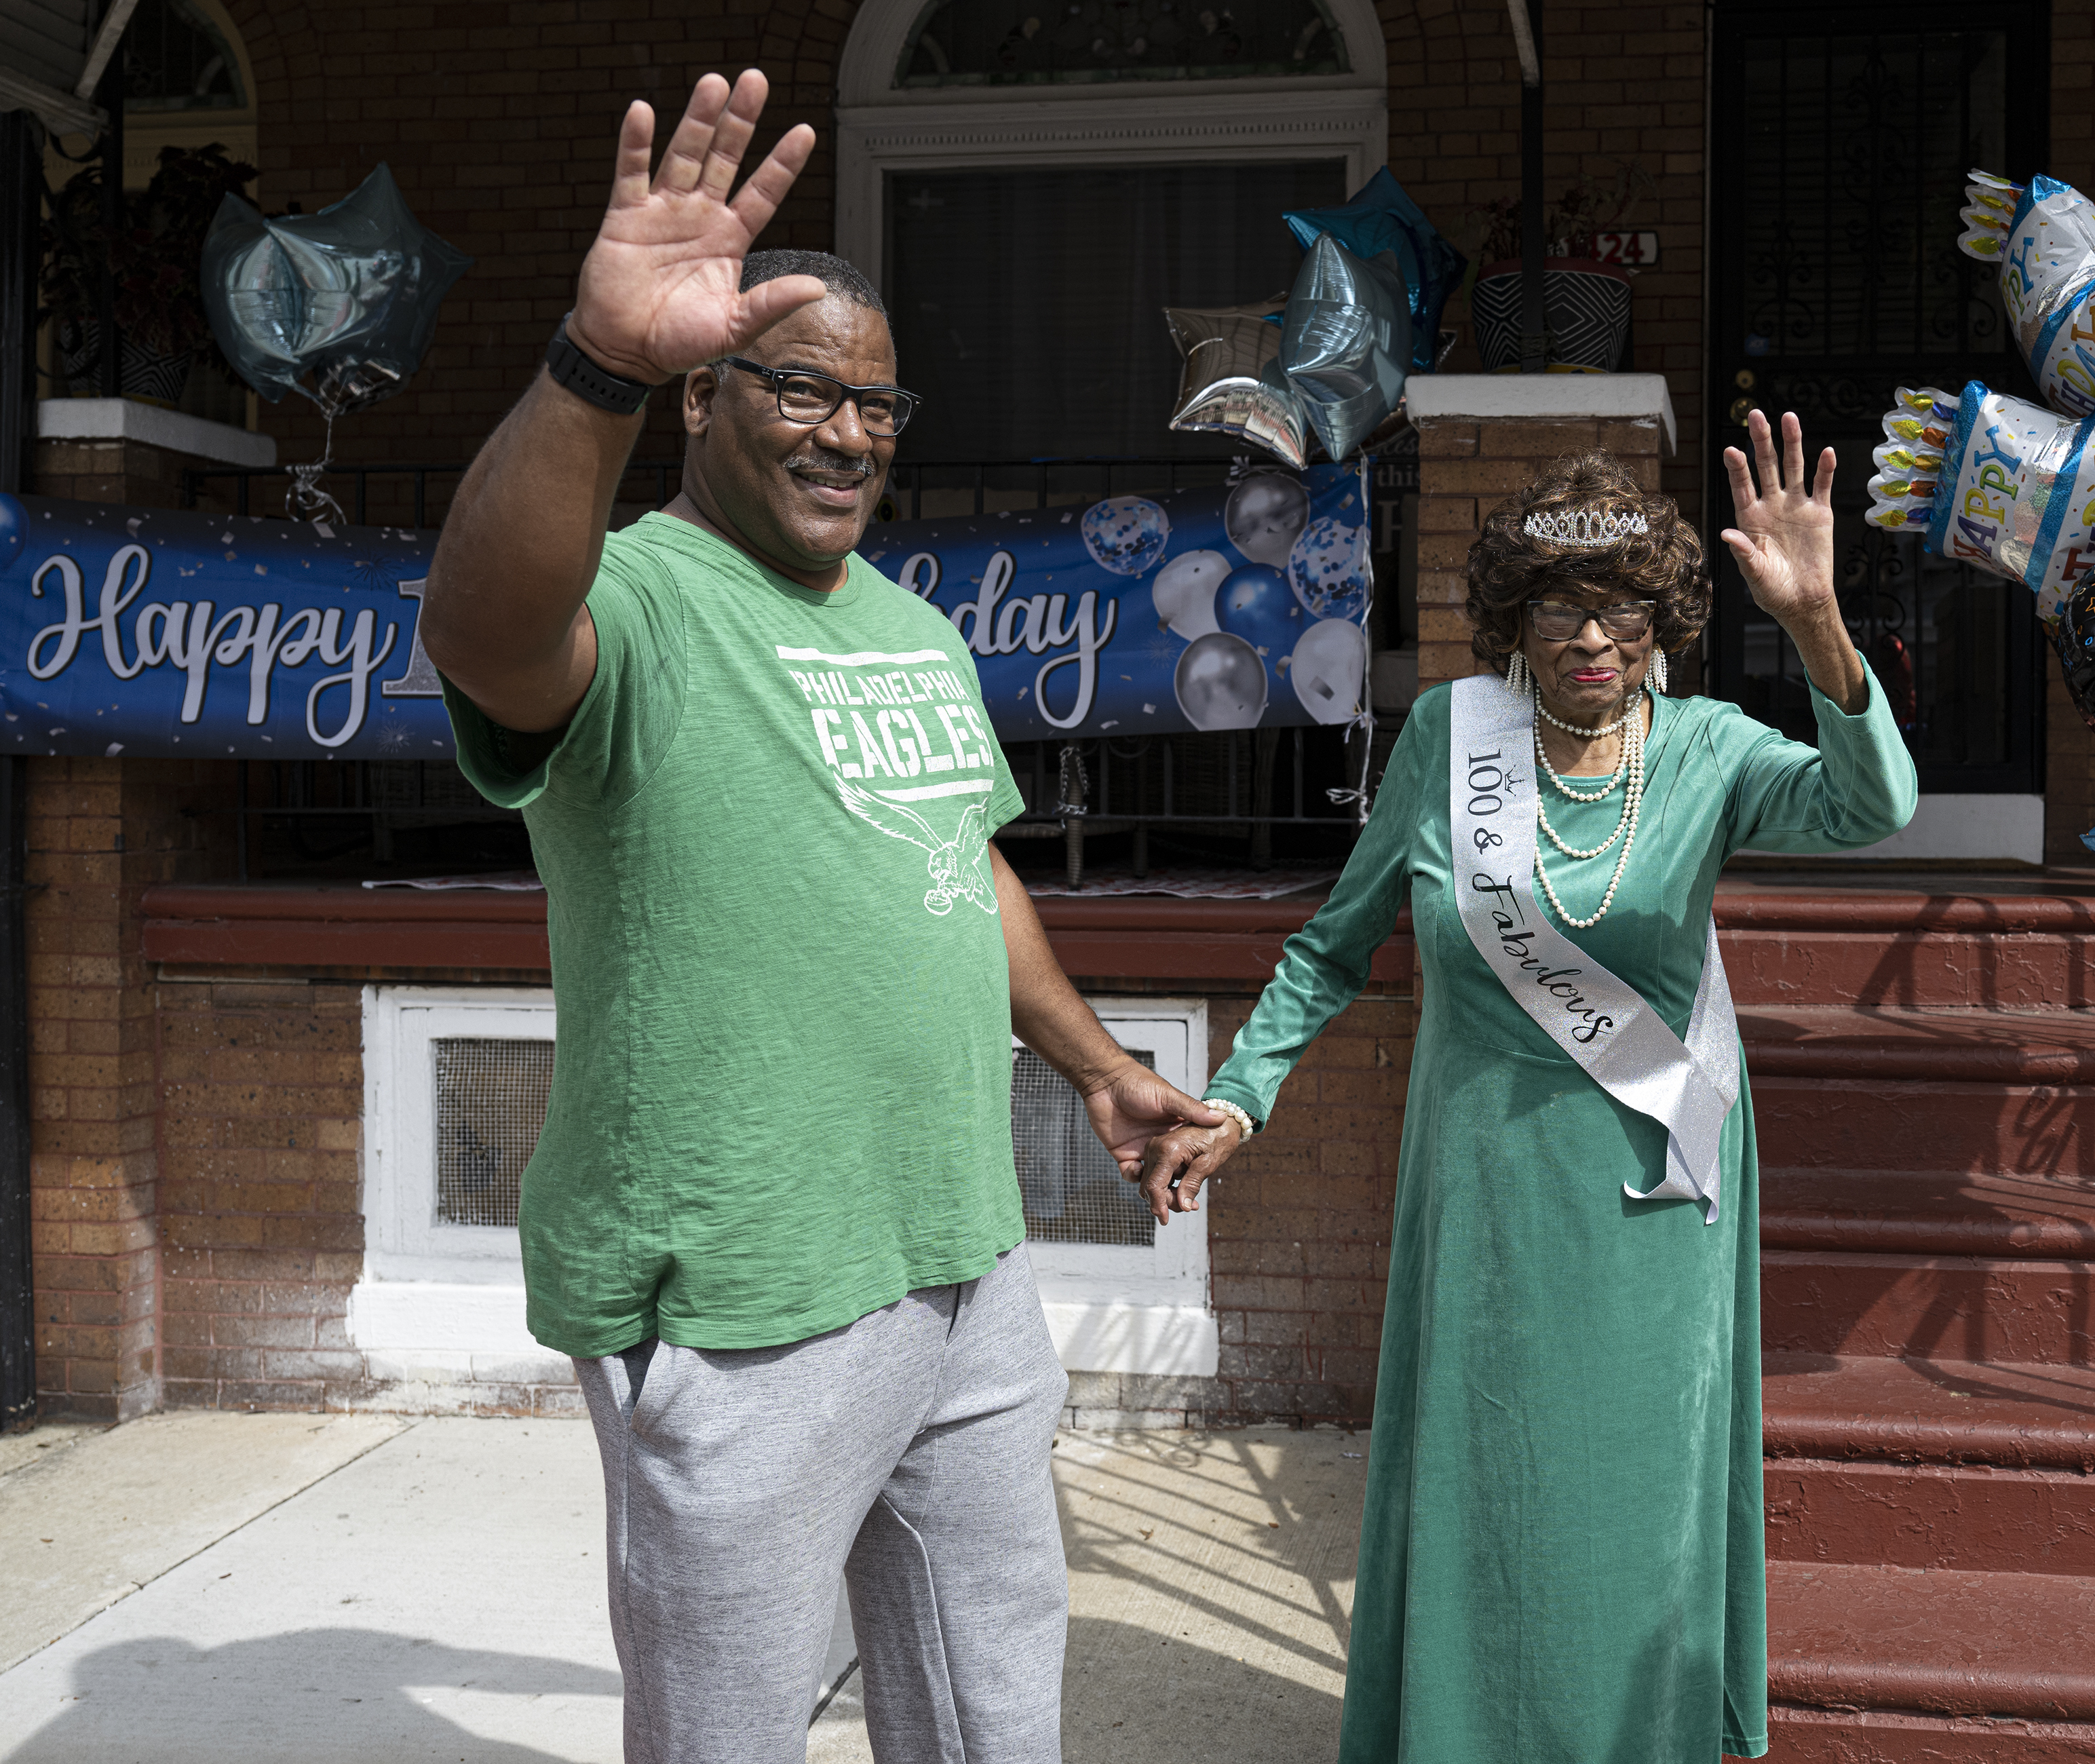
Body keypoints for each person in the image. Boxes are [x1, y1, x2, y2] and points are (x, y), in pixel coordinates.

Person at [419, 71, 1223, 1764]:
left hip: (962, 1258)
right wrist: (594, 363)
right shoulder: (638, 596)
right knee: (728, 1733)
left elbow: (962, 864)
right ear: (705, 396)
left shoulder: (914, 631)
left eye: (877, 405)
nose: (848, 435)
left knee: (996, 1702)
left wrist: (1091, 1067)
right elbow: (486, 635)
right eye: (801, 392)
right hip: (741, 1290)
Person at [1138, 424, 1919, 1763]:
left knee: (1626, 1497)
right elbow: (1334, 942)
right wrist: (1244, 1092)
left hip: (1645, 1198)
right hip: (1485, 1194)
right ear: (1513, 618)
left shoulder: (1710, 750)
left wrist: (1818, 625)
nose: (1592, 633)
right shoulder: (1452, 737)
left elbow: (1873, 804)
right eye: (1560, 603)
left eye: (1620, 603)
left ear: (1661, 614)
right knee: (1495, 1490)